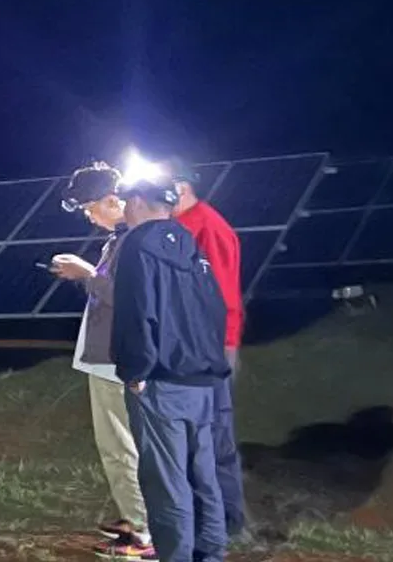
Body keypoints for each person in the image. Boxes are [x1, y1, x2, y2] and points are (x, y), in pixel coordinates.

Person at [111, 173, 233, 562]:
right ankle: (210, 553)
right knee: (203, 476)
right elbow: (214, 308)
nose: (125, 209)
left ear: (138, 202)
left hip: (161, 381)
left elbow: (136, 311)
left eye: (128, 201)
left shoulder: (137, 245)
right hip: (202, 378)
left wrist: (136, 371)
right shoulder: (188, 245)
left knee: (167, 482)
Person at [50, 161, 155, 560]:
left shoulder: (135, 241)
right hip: (110, 358)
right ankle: (137, 518)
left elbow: (133, 301)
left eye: (90, 208)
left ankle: (144, 537)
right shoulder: (123, 239)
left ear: (113, 200)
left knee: (120, 448)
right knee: (124, 446)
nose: (89, 217)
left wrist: (86, 274)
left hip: (116, 362)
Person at [159, 158, 251, 539]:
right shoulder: (177, 226)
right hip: (186, 343)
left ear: (180, 188)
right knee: (192, 436)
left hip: (209, 345)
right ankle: (202, 514)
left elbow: (219, 293)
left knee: (213, 435)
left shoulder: (208, 226)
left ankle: (226, 522)